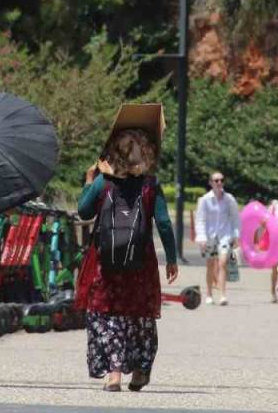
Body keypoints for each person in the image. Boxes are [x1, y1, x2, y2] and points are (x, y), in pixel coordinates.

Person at [75, 107, 178, 393]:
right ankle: (141, 368)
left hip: (104, 262)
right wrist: (171, 258)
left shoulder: (103, 182)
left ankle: (114, 374)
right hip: (140, 262)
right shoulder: (150, 185)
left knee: (107, 313)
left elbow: (84, 211)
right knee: (139, 314)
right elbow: (164, 224)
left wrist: (89, 182)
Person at [194, 172, 239, 305]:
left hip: (225, 236)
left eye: (221, 180)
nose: (219, 183)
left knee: (222, 263)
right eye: (216, 180)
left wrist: (236, 235)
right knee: (210, 265)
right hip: (209, 236)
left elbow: (235, 218)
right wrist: (201, 237)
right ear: (211, 183)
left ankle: (223, 295)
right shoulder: (205, 200)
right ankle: (209, 294)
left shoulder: (229, 199)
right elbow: (200, 219)